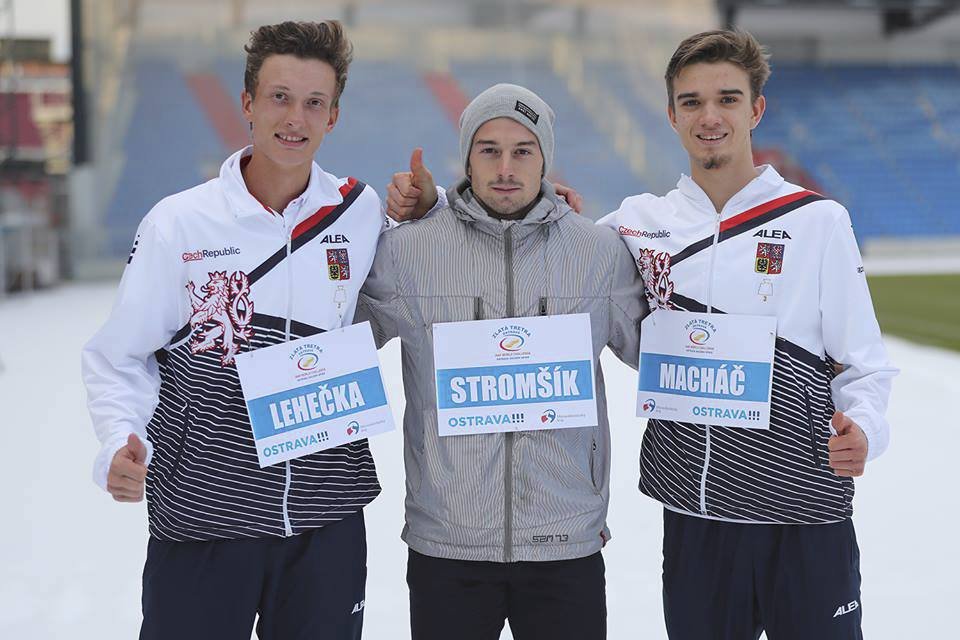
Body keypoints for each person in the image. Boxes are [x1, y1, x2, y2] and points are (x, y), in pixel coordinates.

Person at [387, 30, 896, 640]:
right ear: (671, 113)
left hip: (803, 511)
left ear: (756, 109)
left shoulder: (817, 221)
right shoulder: (635, 225)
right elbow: (517, 223)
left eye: (727, 99)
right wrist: (436, 207)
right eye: (691, 102)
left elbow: (864, 362)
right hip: (694, 517)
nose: (709, 117)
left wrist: (864, 427)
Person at [82, 21, 382, 640]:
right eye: (279, 97)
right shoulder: (180, 223)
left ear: (334, 116)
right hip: (201, 522)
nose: (295, 117)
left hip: (325, 523)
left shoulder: (361, 211)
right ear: (246, 104)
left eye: (313, 102)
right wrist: (118, 439)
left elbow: (441, 248)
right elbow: (119, 355)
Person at [358, 83, 647, 640]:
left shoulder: (598, 253)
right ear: (466, 157)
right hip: (449, 544)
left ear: (546, 159)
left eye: (523, 150)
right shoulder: (409, 252)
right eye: (489, 149)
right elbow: (332, 341)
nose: (506, 166)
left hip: (565, 540)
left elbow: (662, 353)